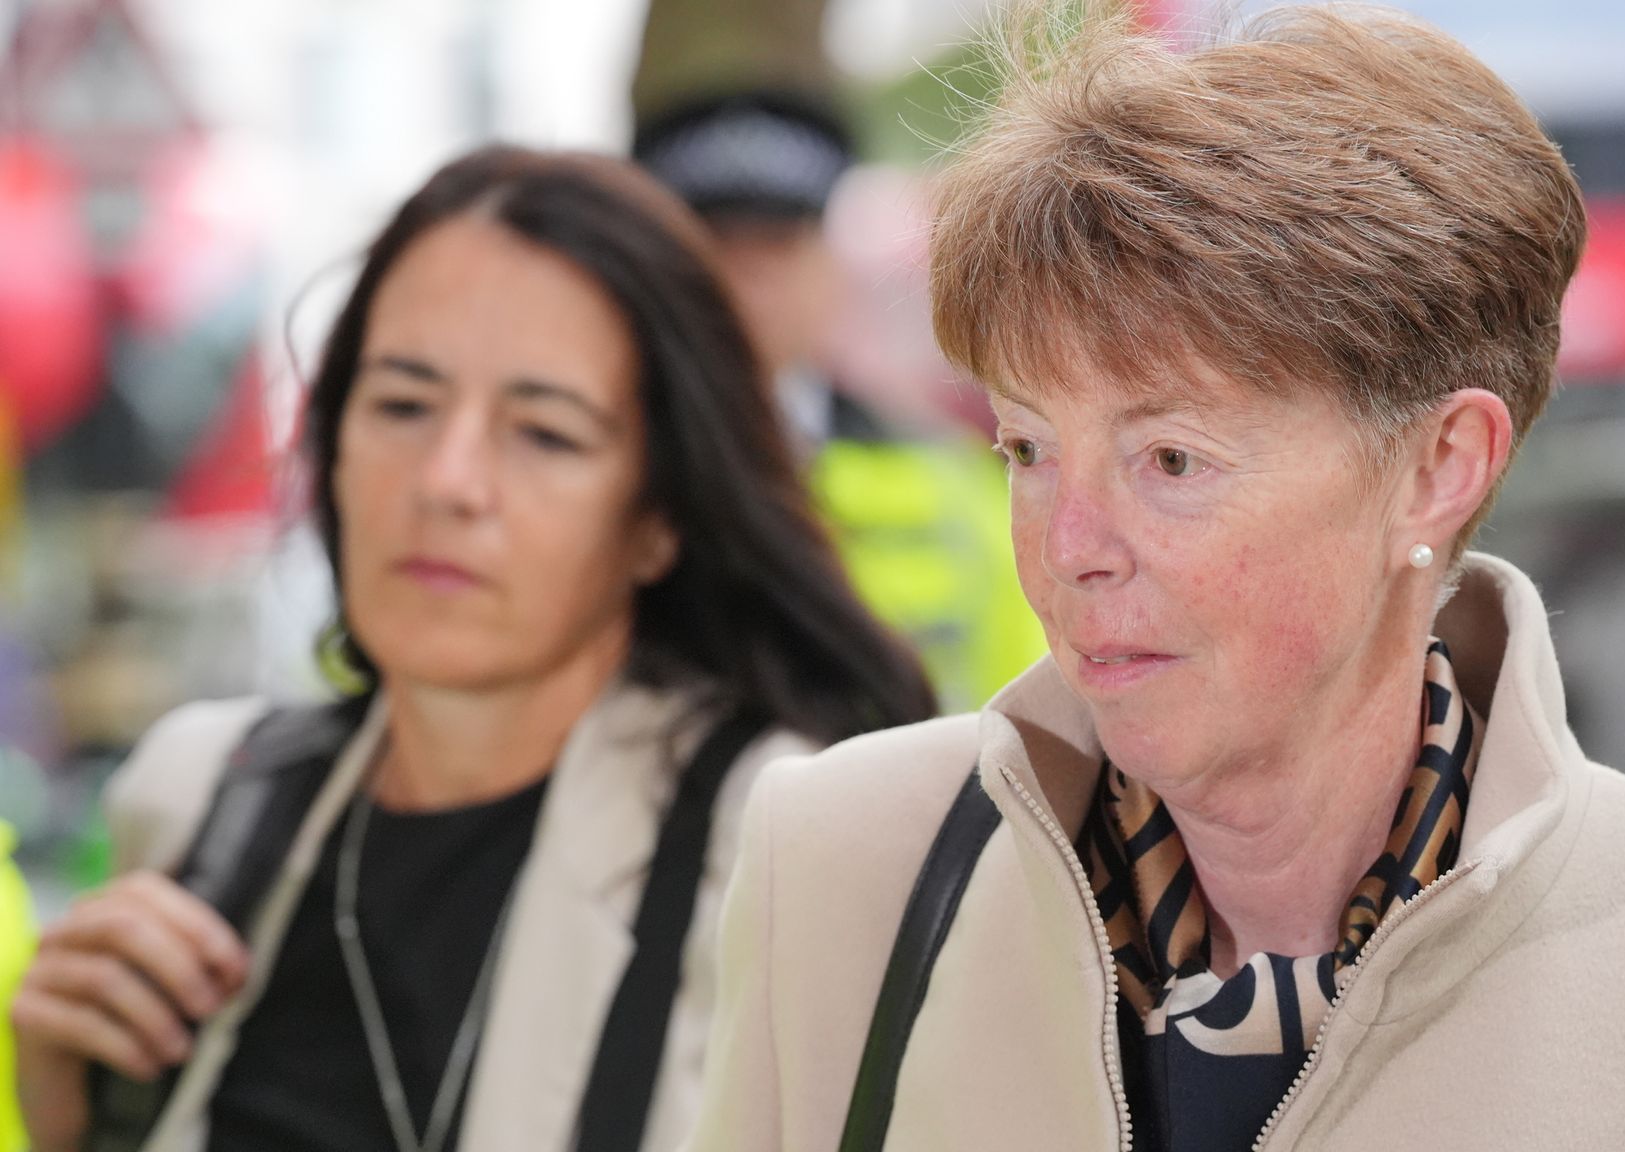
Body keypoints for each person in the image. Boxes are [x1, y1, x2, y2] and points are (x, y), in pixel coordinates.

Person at [686, 7, 1625, 1151]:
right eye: (1027, 445)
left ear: (1437, 466)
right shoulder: (841, 869)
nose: (1068, 541)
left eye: (1170, 457)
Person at [10, 146, 933, 1152]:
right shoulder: (202, 801)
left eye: (543, 432)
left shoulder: (777, 848)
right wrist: (71, 1122)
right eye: (401, 405)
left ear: (659, 513)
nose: (447, 481)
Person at [635, 90, 1044, 713]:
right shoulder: (606, 466)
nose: (750, 278)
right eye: (716, 243)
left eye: (778, 243)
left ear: (829, 267)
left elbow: (1031, 692)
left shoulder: (952, 473)